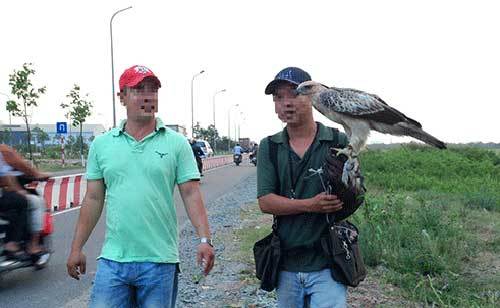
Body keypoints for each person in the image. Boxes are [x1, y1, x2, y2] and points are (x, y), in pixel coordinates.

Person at [66, 65, 215, 308]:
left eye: (152, 90)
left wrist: (205, 240)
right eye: (138, 89)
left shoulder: (176, 144)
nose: (147, 96)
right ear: (121, 97)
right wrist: (76, 248)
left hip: (160, 262)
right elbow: (93, 199)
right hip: (113, 262)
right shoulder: (102, 145)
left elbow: (190, 193)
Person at [257, 67, 365, 307]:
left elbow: (358, 193)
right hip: (286, 264)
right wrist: (310, 205)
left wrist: (348, 192)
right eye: (278, 97)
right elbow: (265, 202)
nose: (286, 103)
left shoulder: (338, 141)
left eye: (294, 94)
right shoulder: (270, 147)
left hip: (328, 262)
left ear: (312, 97)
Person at [0, 144, 49, 258]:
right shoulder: (5, 150)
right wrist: (18, 190)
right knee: (26, 202)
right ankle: (27, 244)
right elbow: (12, 171)